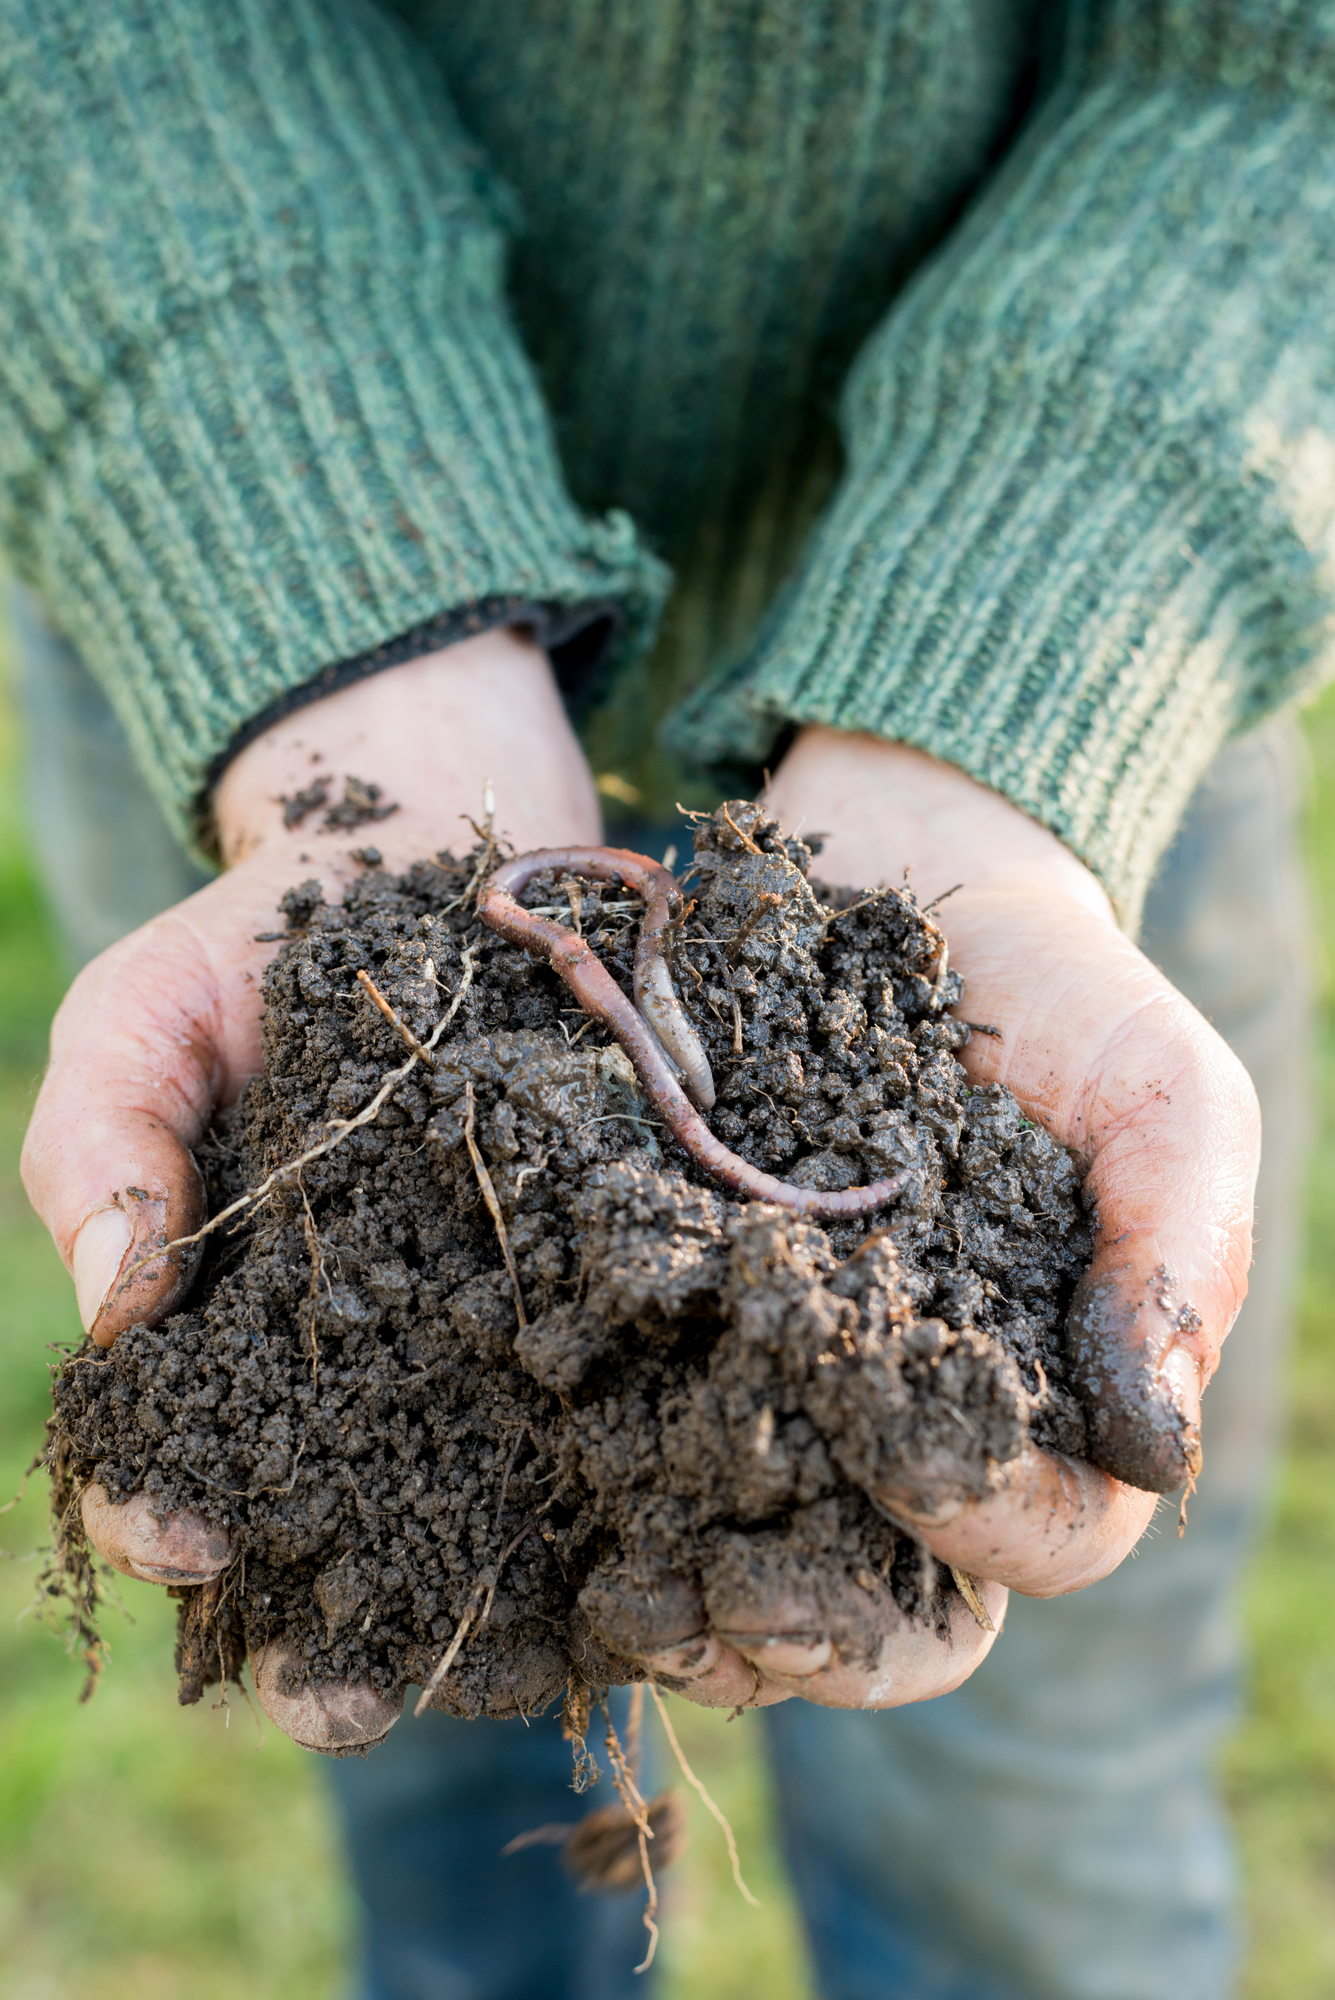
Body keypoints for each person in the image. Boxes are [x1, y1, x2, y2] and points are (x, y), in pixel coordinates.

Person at [2, 3, 1328, 1994]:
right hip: (243, 615)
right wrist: (335, 674)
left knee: (1028, 1801)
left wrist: (1013, 728)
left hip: (1073, 700)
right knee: (417, 1651)